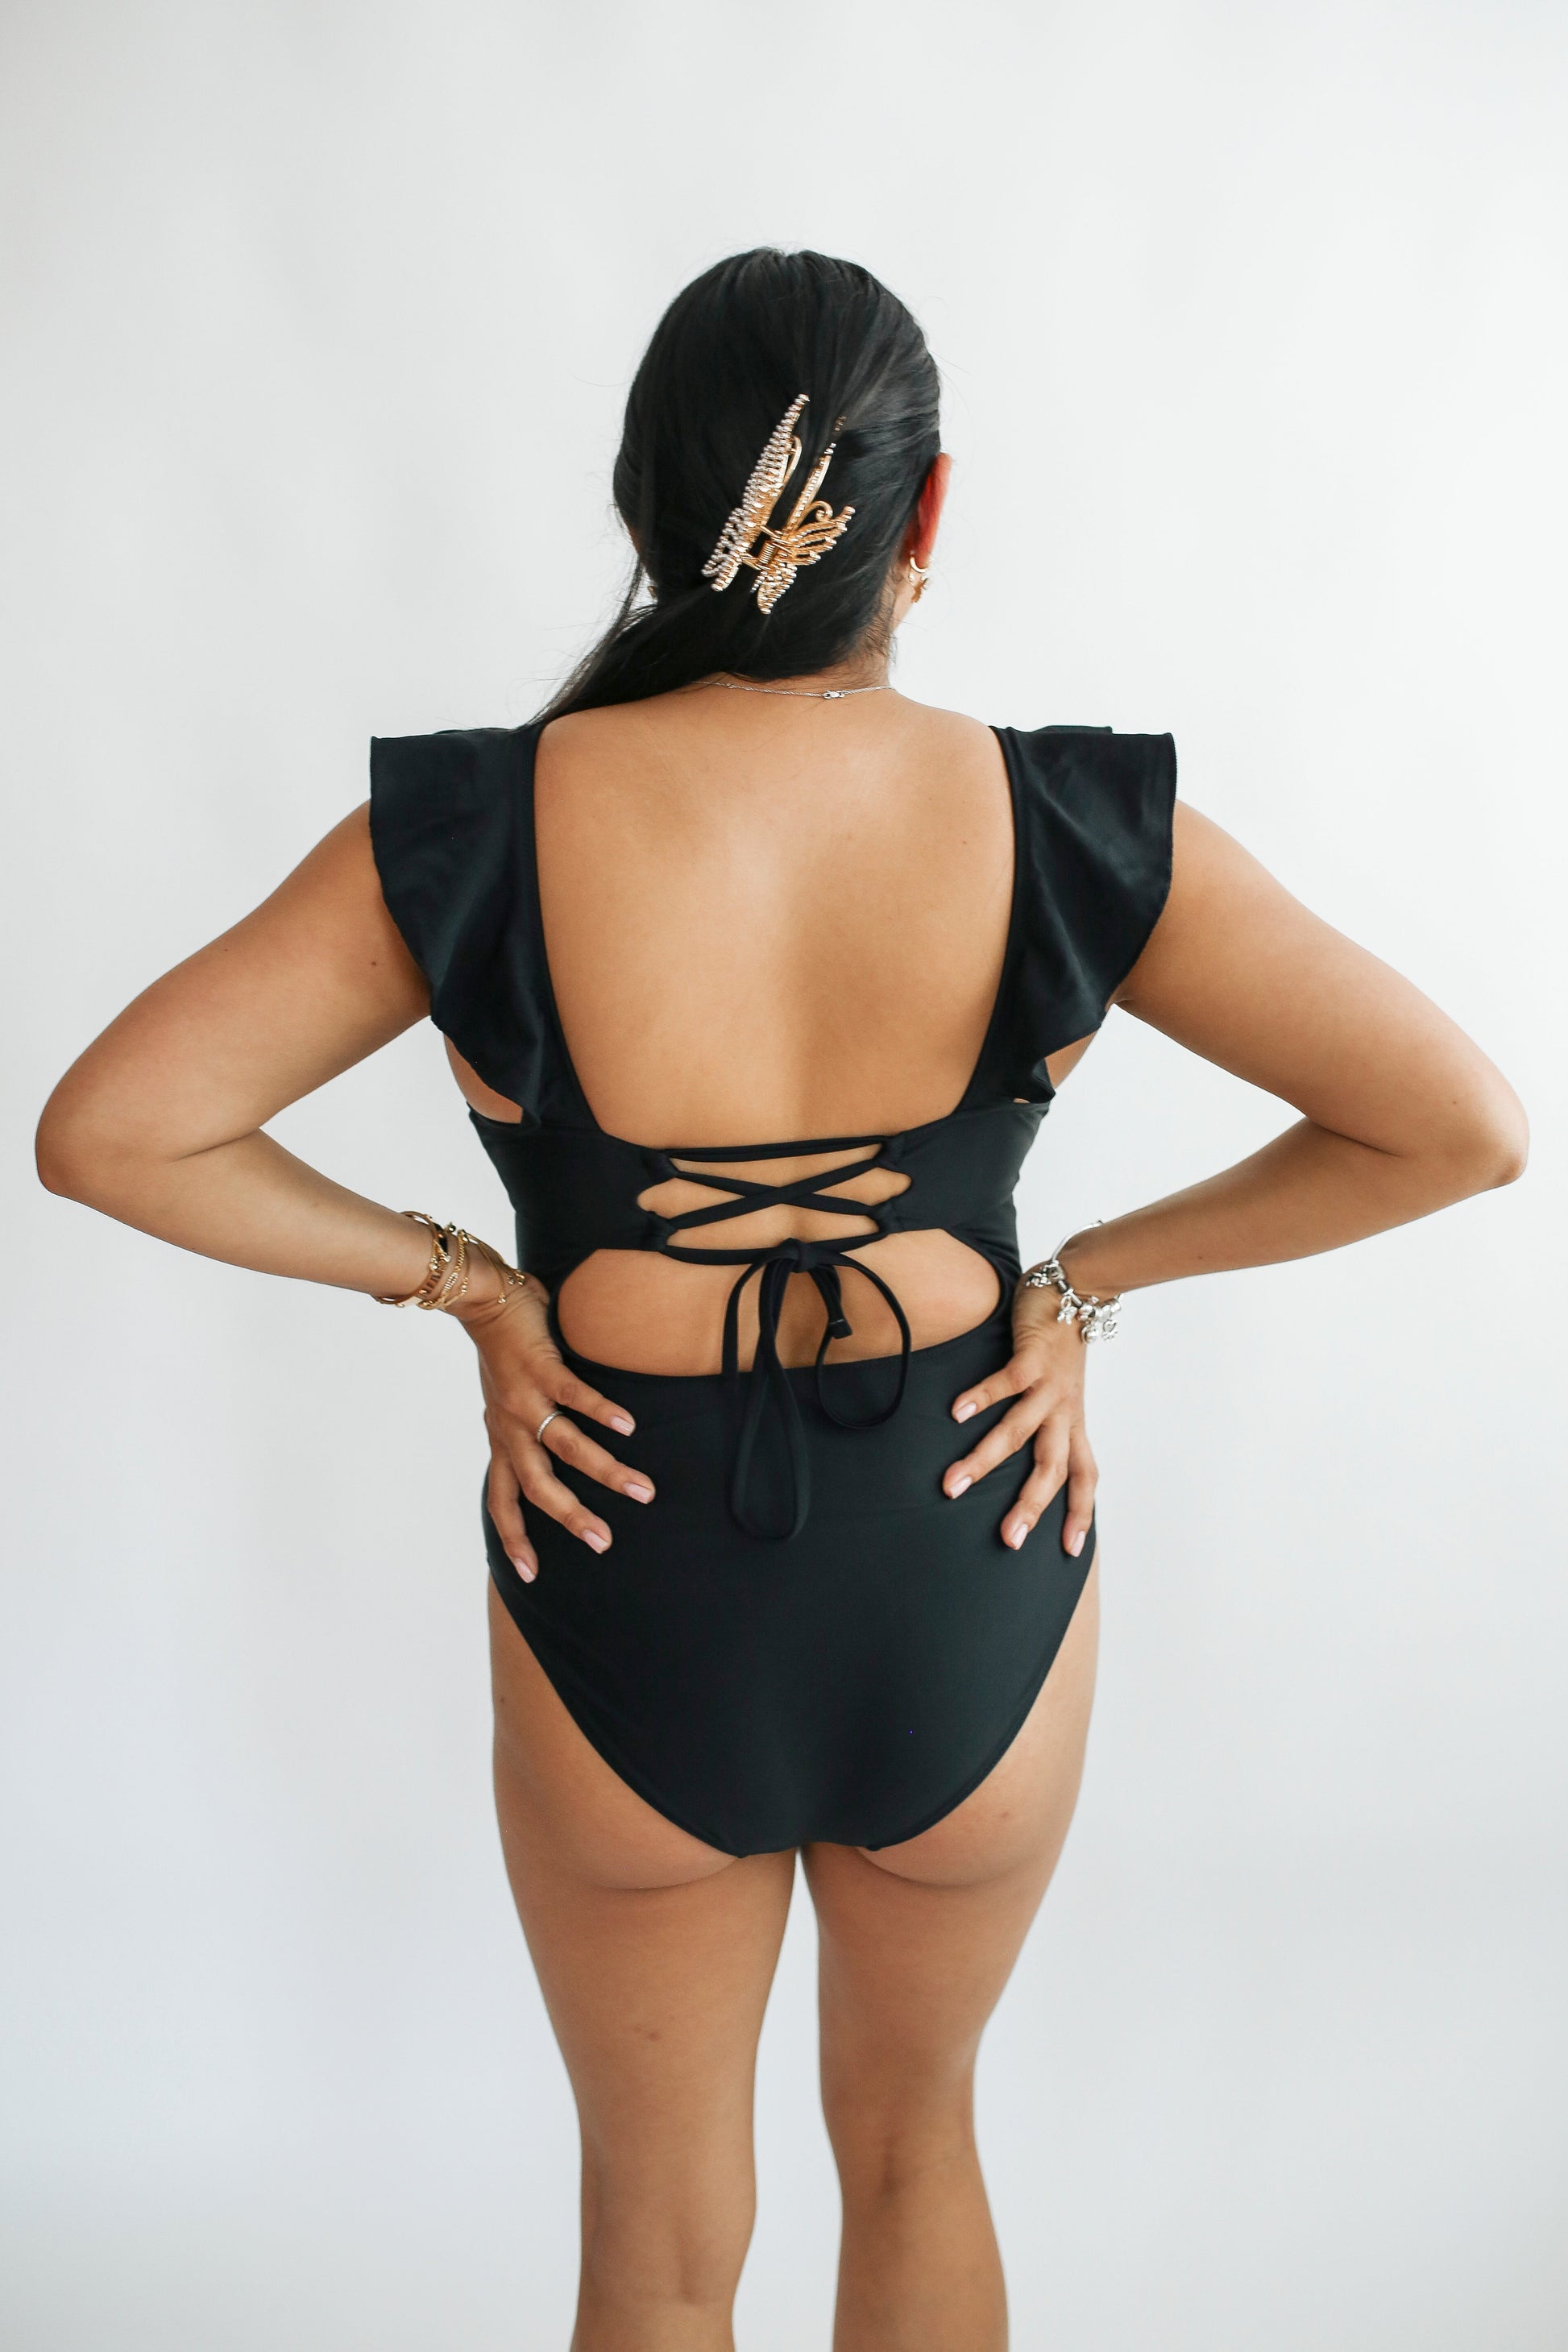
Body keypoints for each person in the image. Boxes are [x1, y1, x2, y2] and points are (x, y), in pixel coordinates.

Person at [35, 247, 1527, 2352]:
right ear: (929, 514)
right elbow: (1459, 1125)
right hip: (967, 1550)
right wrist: (1079, 1288)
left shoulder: (470, 828)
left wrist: (474, 1291)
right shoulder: (1071, 818)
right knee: (918, 2151)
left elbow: (112, 1131)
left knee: (655, 2240)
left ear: (640, 506)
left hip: (621, 1563)